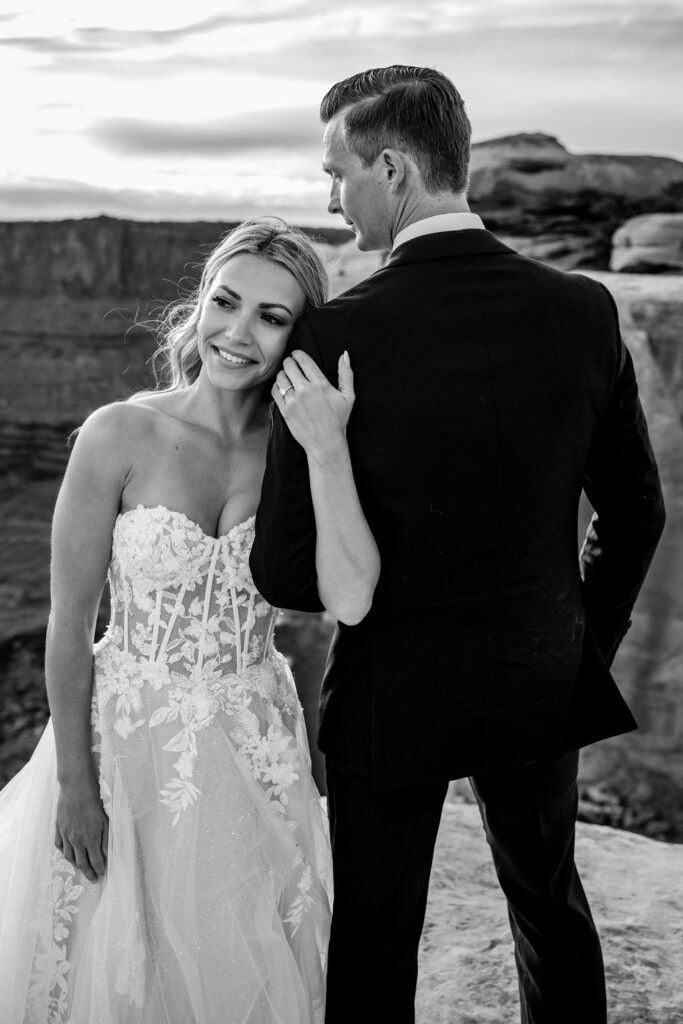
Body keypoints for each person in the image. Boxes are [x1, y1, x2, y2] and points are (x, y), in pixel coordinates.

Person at [249, 67, 667, 1024]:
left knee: (375, 937)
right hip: (536, 676)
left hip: (388, 696)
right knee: (549, 911)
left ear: (391, 168)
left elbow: (282, 571)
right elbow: (635, 514)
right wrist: (574, 647)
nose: (329, 196)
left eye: (337, 173)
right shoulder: (581, 308)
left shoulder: (337, 332)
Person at [0, 219, 379, 1024]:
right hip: (121, 747)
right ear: (199, 304)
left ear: (296, 336)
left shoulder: (297, 455)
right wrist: (75, 782)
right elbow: (70, 624)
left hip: (253, 743)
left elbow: (350, 598)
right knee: (113, 965)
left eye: (271, 318)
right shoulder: (120, 433)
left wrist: (331, 449)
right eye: (225, 302)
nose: (236, 333)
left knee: (239, 962)